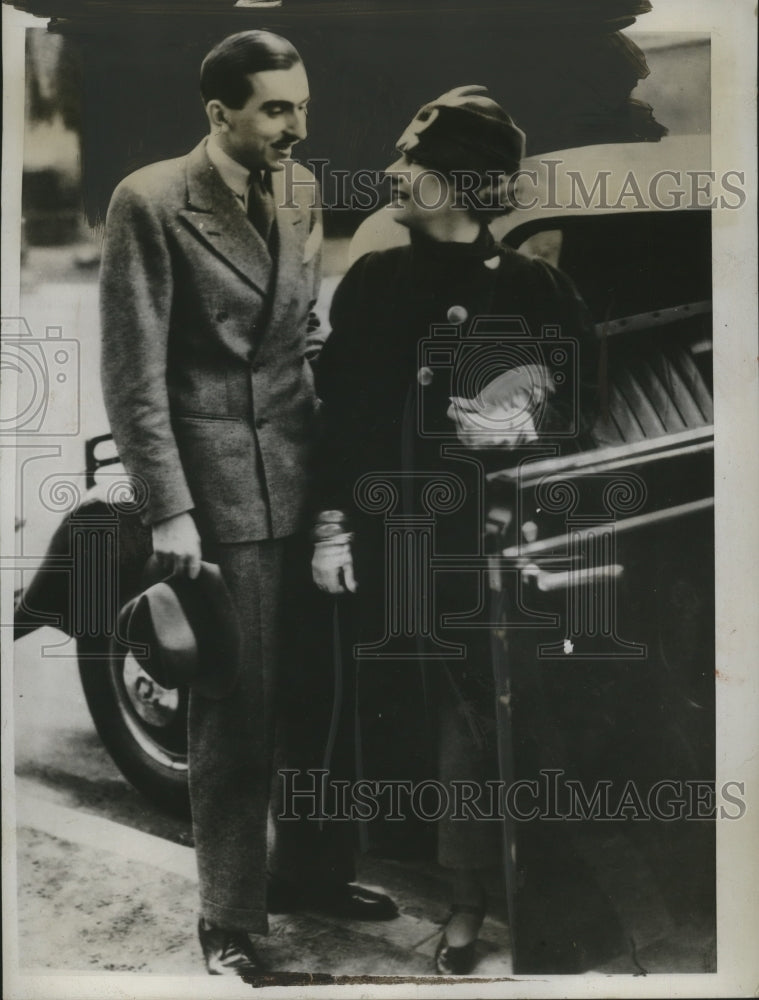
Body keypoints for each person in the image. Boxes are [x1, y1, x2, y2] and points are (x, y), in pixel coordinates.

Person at [100, 30, 396, 977]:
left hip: (305, 474)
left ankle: (311, 870)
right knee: (235, 712)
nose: (295, 126)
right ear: (218, 112)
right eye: (275, 109)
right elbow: (134, 376)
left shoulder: (300, 190)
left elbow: (301, 334)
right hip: (220, 492)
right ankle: (227, 918)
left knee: (317, 697)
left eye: (301, 106)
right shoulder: (150, 201)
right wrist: (168, 508)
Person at [311, 86, 597, 975]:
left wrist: (528, 426)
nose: (393, 172)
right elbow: (338, 419)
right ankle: (407, 870)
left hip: (483, 552)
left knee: (471, 729)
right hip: (386, 548)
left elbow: (580, 407)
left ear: (458, 183)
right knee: (399, 722)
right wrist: (330, 527)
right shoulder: (372, 282)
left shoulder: (531, 288)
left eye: (411, 162)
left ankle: (470, 902)